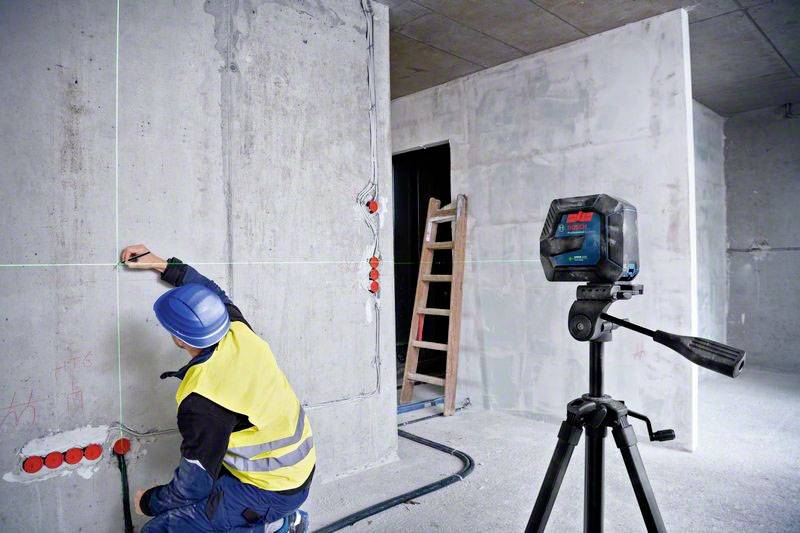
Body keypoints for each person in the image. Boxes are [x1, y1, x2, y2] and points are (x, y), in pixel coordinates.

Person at [121, 245, 313, 533]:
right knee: (217, 506)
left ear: (179, 339)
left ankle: (278, 521)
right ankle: (284, 520)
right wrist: (159, 263)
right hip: (295, 469)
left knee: (159, 529)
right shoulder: (239, 330)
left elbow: (191, 488)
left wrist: (148, 502)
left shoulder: (202, 400)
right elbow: (210, 290)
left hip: (271, 490)